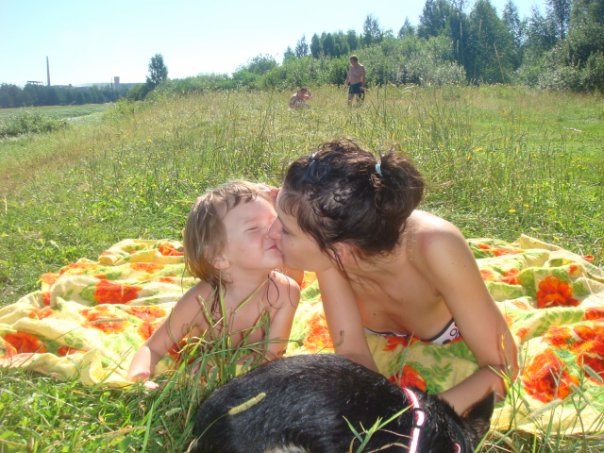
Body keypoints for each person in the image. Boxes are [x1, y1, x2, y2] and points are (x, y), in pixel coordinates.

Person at [268, 139, 519, 415]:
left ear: (340, 251)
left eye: (285, 230)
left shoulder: (436, 247)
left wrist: (417, 419)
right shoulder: (331, 256)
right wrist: (382, 412)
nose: (271, 232)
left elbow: (503, 366)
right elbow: (352, 353)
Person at [128, 181, 300, 386]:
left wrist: (222, 370)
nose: (274, 232)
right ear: (219, 257)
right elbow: (152, 348)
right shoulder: (200, 301)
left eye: (275, 221)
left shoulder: (286, 293)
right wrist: (139, 378)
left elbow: (272, 355)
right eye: (254, 228)